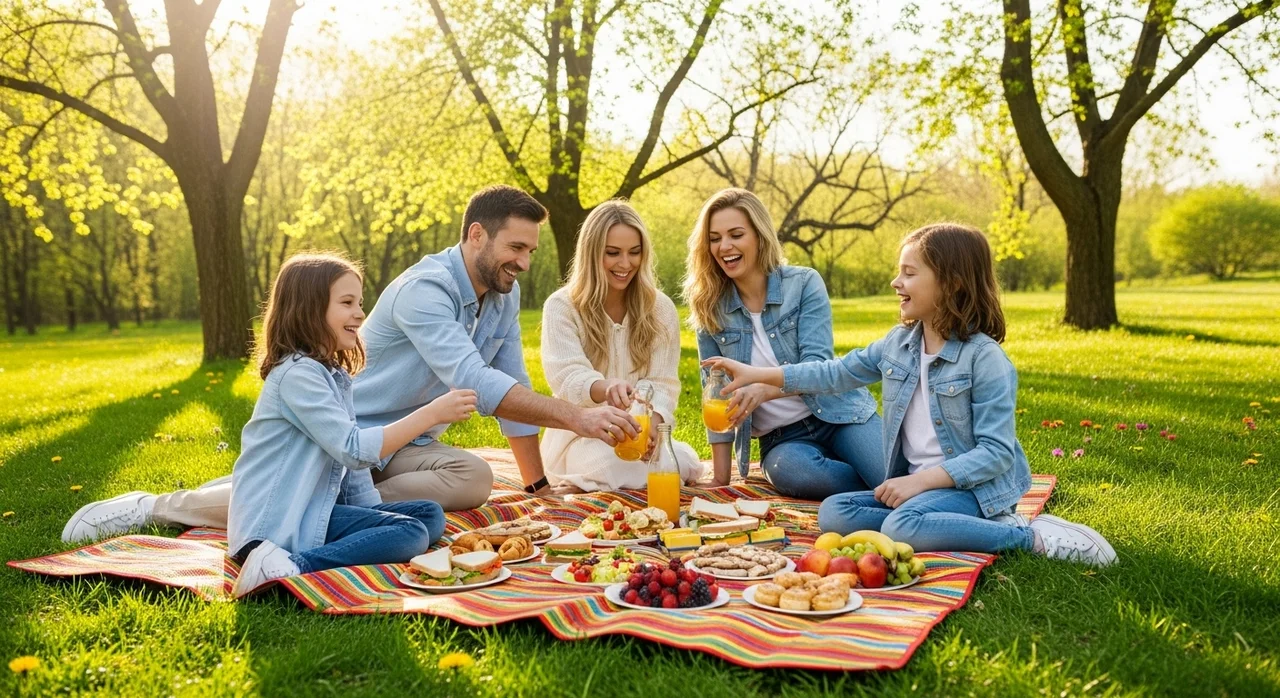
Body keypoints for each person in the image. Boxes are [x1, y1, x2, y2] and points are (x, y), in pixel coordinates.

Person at [62, 185, 639, 544]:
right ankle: (158, 507)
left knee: (477, 478)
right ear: (476, 235)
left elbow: (511, 385)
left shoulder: (504, 295)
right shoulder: (425, 291)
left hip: (407, 443)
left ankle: (325, 509)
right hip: (344, 434)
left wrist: (535, 484)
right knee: (315, 491)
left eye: (532, 251)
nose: (525, 261)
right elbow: (475, 382)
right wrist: (579, 418)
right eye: (517, 248)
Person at [703, 223, 1117, 565]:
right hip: (918, 489)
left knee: (904, 526)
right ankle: (935, 521)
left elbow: (997, 453)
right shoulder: (899, 344)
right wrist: (758, 373)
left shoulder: (984, 359)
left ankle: (1027, 536)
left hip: (968, 489)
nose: (895, 282)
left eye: (909, 273)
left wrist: (917, 483)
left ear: (950, 283)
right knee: (835, 512)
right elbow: (835, 372)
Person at [224, 253, 473, 597]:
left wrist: (373, 518)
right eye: (347, 302)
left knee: (428, 514)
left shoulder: (331, 374)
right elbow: (354, 450)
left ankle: (315, 554)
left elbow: (352, 475)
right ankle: (287, 568)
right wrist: (431, 414)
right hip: (275, 527)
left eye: (360, 302)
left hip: (314, 513)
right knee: (412, 533)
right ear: (309, 309)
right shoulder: (297, 375)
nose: (360, 313)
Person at [682, 188, 882, 498]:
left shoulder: (803, 284)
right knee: (799, 475)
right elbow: (715, 395)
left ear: (759, 237)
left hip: (839, 414)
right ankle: (879, 490)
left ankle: (883, 483)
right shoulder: (709, 306)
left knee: (888, 471)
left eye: (736, 234)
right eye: (715, 238)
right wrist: (721, 478)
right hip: (783, 441)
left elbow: (817, 366)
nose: (725, 246)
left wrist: (764, 390)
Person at [540, 201, 704, 491]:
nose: (625, 264)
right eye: (612, 253)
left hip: (640, 433)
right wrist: (605, 387)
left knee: (683, 461)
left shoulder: (660, 309)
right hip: (581, 438)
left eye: (634, 252)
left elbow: (663, 383)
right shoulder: (562, 306)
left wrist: (652, 426)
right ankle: (597, 477)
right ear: (592, 254)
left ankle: (597, 483)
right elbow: (567, 375)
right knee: (610, 463)